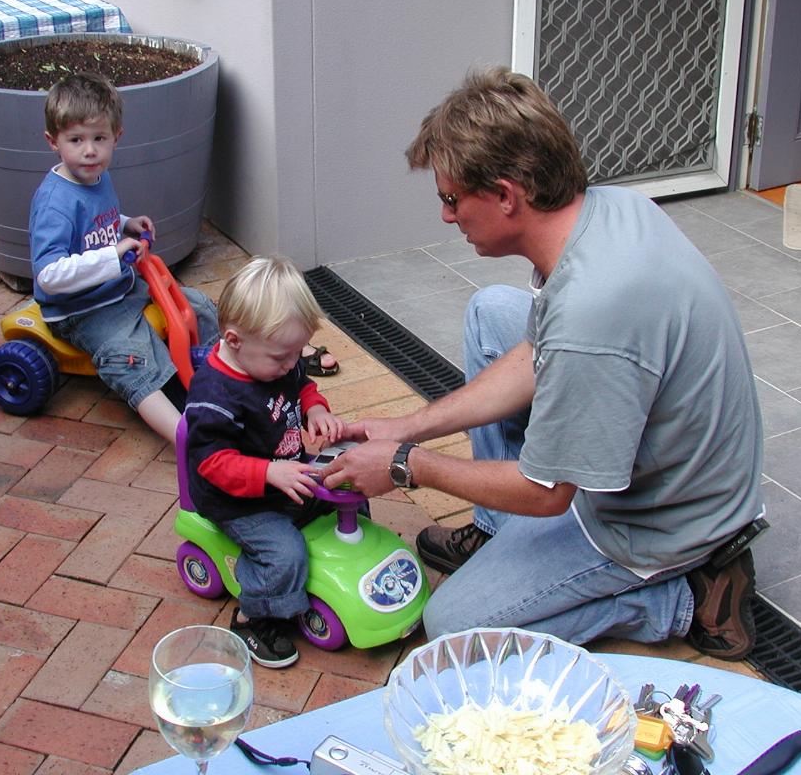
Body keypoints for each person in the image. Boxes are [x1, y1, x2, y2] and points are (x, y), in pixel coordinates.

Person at [323, 68, 765, 660]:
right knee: (493, 314)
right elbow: (537, 357)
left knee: (454, 627)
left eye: (452, 199)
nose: (447, 218)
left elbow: (549, 490)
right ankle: (499, 533)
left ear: (507, 195)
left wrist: (407, 465)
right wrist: (405, 427)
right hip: (665, 450)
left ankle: (684, 596)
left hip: (663, 520)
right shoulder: (610, 211)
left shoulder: (594, 311)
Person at [29, 72, 220, 445]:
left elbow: (95, 224)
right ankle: (188, 439)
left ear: (116, 136)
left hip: (121, 289)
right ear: (53, 141)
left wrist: (125, 223)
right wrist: (112, 256)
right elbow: (48, 274)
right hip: (83, 310)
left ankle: (223, 379)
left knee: (196, 307)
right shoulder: (56, 202)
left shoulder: (96, 177)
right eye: (76, 140)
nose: (90, 151)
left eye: (99, 139)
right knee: (131, 355)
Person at [183, 255, 346, 668]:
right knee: (285, 552)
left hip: (284, 475)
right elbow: (212, 463)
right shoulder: (214, 394)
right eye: (282, 357)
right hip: (240, 500)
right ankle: (253, 617)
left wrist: (315, 409)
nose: (291, 365)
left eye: (296, 353)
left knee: (347, 486)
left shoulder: (275, 362)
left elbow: (302, 384)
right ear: (235, 340)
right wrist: (269, 473)